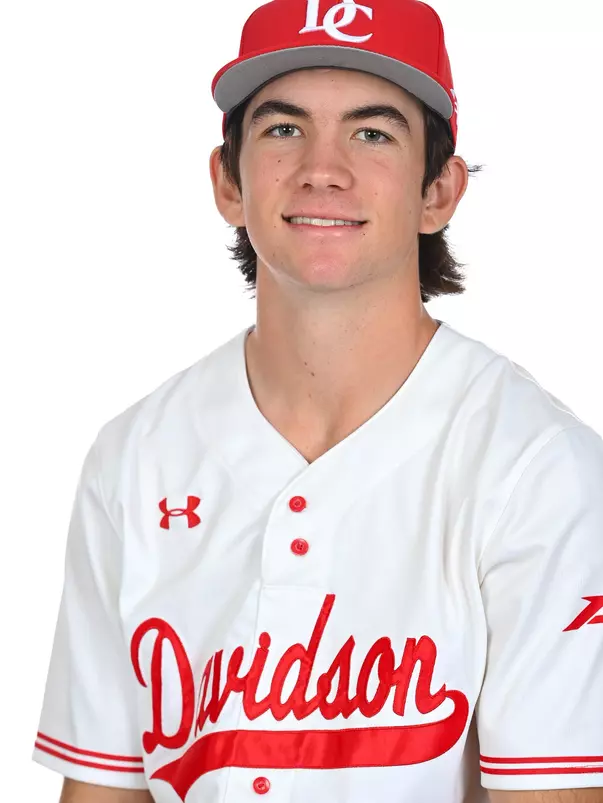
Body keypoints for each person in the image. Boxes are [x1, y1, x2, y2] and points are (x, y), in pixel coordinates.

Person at [32, 0, 603, 801]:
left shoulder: (537, 469)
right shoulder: (134, 457)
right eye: (281, 129)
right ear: (227, 182)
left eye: (372, 133)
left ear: (438, 191)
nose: (321, 168)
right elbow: (101, 789)